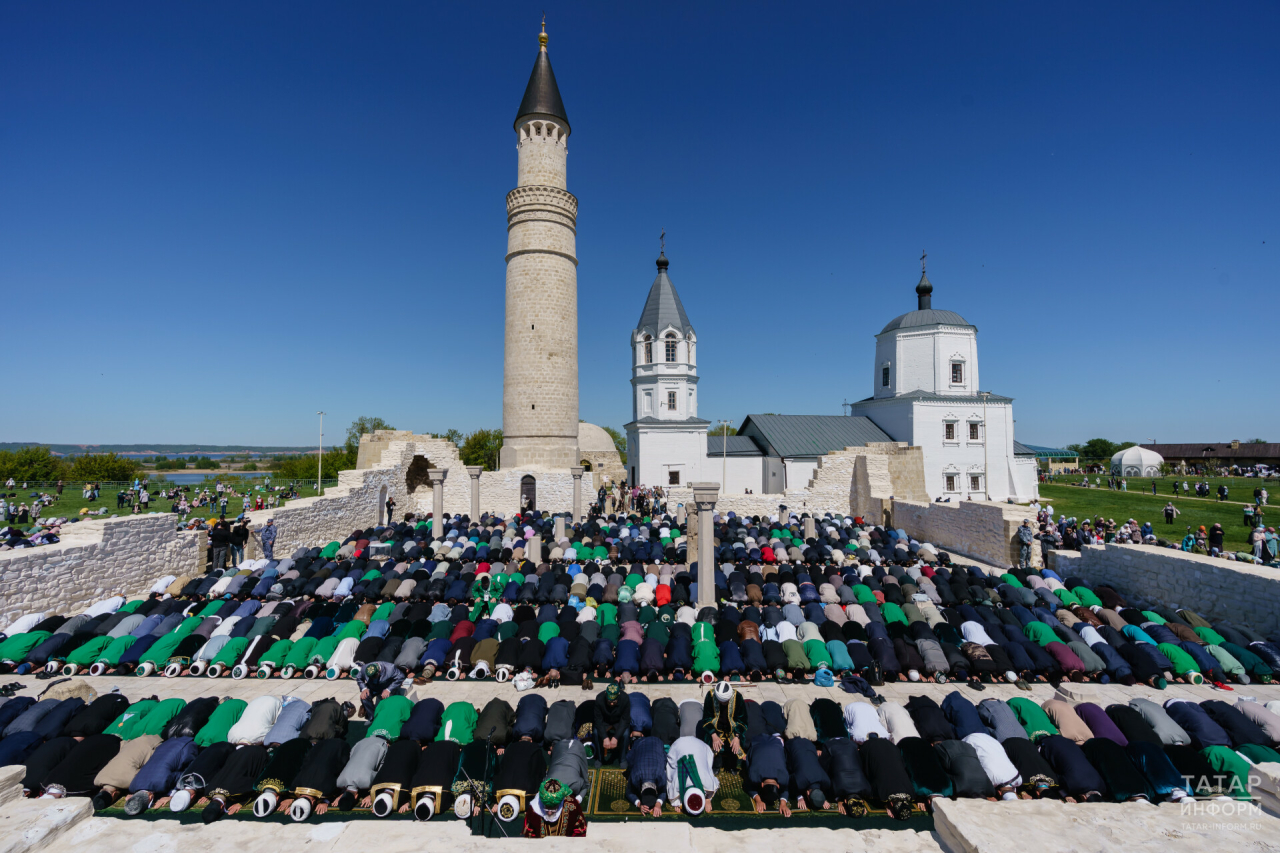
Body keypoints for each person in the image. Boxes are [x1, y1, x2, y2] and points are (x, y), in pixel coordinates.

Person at [698, 681, 747, 770]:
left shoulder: (737, 697)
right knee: (712, 744)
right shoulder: (710, 696)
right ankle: (716, 765)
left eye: (725, 702)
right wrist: (713, 734)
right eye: (721, 702)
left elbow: (743, 720)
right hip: (715, 729)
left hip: (733, 729)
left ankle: (732, 766)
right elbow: (706, 719)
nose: (723, 704)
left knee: (737, 745)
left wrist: (737, 736)